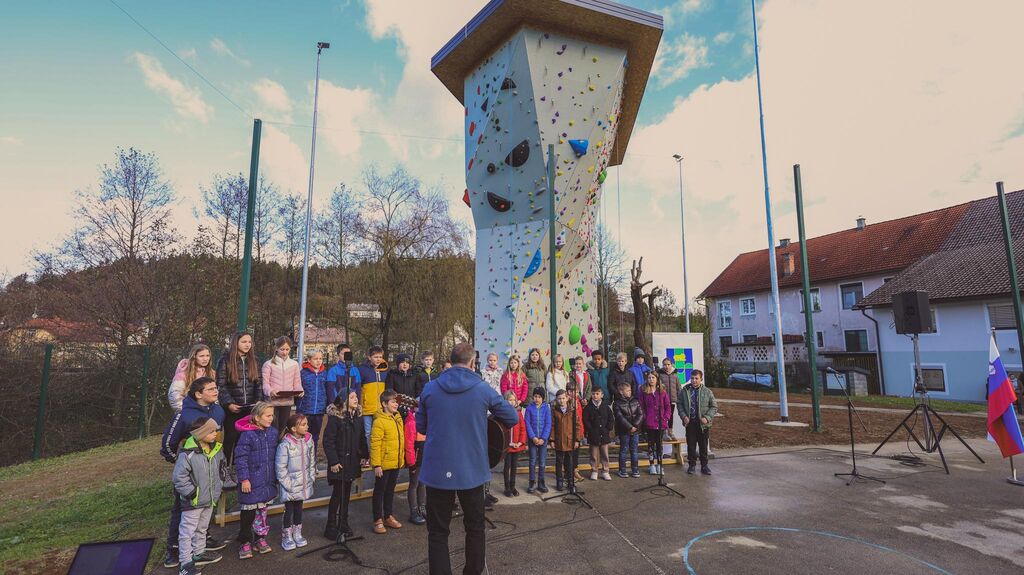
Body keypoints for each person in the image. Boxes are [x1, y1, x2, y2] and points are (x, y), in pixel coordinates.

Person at [416, 342, 518, 575]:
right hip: (471, 470)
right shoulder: (482, 389)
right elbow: (511, 417)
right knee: (474, 527)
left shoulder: (430, 388)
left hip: (437, 470)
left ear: (450, 361)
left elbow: (421, 425)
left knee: (438, 532)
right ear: (473, 363)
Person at [161, 378, 226, 569]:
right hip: (190, 478)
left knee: (203, 516)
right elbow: (168, 445)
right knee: (181, 514)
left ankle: (200, 549)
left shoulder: (218, 410)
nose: (216, 391)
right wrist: (182, 460)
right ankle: (175, 551)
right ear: (198, 394)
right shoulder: (184, 414)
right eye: (211, 389)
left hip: (209, 474)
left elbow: (218, 438)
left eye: (216, 388)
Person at [172, 417, 225, 575]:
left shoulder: (216, 449)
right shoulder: (188, 453)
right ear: (200, 433)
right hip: (193, 501)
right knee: (187, 532)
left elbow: (221, 469)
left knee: (202, 528)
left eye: (215, 430)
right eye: (211, 431)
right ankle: (185, 563)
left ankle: (199, 553)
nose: (215, 433)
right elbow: (178, 477)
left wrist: (218, 486)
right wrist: (191, 493)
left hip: (209, 498)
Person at [234, 401, 279, 559]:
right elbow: (240, 458)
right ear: (257, 418)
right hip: (251, 481)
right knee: (249, 513)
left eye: (272, 415)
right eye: (268, 415)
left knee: (263, 512)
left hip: (266, 480)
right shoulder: (247, 434)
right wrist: (244, 479)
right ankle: (245, 541)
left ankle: (260, 538)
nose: (271, 418)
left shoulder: (273, 432)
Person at [322, 390, 367, 540]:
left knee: (346, 495)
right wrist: (333, 461)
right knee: (337, 495)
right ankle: (331, 526)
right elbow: (328, 441)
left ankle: (343, 523)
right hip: (340, 463)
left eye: (356, 397)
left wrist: (364, 455)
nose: (356, 399)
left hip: (352, 462)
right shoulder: (336, 419)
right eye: (352, 397)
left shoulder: (357, 418)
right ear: (343, 400)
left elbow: (361, 438)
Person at [217, 332, 263, 466]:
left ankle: (239, 468)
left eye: (249, 342)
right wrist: (229, 403)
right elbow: (221, 385)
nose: (247, 344)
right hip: (232, 409)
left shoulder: (255, 360)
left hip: (250, 408)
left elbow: (259, 383)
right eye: (244, 341)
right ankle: (225, 468)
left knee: (244, 439)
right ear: (235, 343)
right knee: (230, 438)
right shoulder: (225, 360)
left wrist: (258, 402)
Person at [276, 413, 316, 551]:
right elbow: (280, 469)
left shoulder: (309, 440)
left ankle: (297, 532)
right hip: (291, 486)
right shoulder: (285, 445)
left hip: (303, 484)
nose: (307, 427)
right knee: (289, 510)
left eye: (307, 424)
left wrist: (311, 478)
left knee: (299, 509)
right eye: (303, 424)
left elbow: (312, 461)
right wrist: (289, 485)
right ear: (293, 428)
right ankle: (286, 535)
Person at [370, 389, 405, 534]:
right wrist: (377, 464)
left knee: (390, 490)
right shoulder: (379, 421)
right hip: (383, 464)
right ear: (384, 404)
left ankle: (388, 516)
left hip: (395, 462)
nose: (396, 404)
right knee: (379, 491)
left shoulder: (398, 418)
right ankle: (377, 519)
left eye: (396, 401)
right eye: (392, 401)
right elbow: (375, 444)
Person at [679, 369, 718, 475]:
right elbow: (680, 404)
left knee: (703, 445)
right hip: (690, 423)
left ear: (701, 379)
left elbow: (714, 407)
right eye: (692, 378)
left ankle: (704, 466)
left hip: (703, 425)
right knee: (691, 445)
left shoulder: (707, 391)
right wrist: (684, 416)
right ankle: (691, 465)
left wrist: (707, 417)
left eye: (696, 378)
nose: (694, 380)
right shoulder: (685, 390)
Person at [263, 336, 303, 435]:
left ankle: (282, 449)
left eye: (287, 349)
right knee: (273, 429)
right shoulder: (268, 364)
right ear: (276, 348)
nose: (284, 352)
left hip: (287, 402)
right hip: (273, 403)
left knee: (283, 429)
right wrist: (270, 391)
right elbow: (265, 384)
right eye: (282, 349)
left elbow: (297, 382)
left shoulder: (294, 364)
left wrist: (300, 390)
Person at [638, 372, 670, 475]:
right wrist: (645, 417)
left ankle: (660, 465)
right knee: (651, 445)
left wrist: (666, 417)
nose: (651, 379)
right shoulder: (644, 391)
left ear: (657, 379)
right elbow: (641, 406)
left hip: (661, 422)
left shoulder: (662, 392)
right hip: (649, 422)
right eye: (649, 378)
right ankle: (651, 465)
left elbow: (667, 406)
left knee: (659, 444)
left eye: (653, 377)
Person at [550, 389, 583, 492]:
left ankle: (570, 481)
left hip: (570, 441)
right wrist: (552, 440)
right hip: (559, 441)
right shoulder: (554, 411)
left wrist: (577, 440)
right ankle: (559, 481)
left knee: (570, 462)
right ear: (556, 399)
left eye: (563, 398)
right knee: (559, 462)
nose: (561, 400)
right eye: (559, 398)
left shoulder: (572, 411)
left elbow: (577, 426)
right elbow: (552, 426)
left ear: (567, 398)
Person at [297, 350, 329, 452]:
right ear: (309, 360)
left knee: (315, 436)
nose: (318, 361)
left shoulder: (325, 373)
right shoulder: (302, 373)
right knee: (303, 436)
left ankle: (312, 461)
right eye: (315, 359)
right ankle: (302, 460)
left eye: (320, 359)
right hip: (305, 410)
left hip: (319, 410)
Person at [169, 344, 215, 412]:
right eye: (201, 356)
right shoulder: (182, 375)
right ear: (194, 357)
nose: (205, 359)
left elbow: (216, 396)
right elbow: (175, 398)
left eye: (207, 356)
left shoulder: (213, 374)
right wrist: (189, 412)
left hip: (210, 414)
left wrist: (215, 412)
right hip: (190, 415)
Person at [613, 381, 644, 478]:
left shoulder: (635, 401)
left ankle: (635, 470)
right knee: (623, 450)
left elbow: (641, 414)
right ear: (621, 392)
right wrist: (630, 427)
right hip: (624, 431)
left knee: (634, 450)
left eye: (630, 390)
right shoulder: (617, 403)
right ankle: (623, 471)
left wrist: (635, 426)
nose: (630, 392)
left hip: (635, 431)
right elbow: (619, 417)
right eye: (627, 391)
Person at [523, 386, 551, 494]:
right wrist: (533, 437)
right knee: (532, 461)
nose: (537, 399)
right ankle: (532, 482)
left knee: (542, 462)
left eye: (539, 397)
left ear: (543, 398)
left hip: (543, 440)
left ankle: (541, 482)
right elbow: (527, 423)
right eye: (535, 396)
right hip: (533, 439)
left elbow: (548, 424)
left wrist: (543, 438)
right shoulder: (529, 408)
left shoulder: (546, 408)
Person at [582, 387, 614, 481]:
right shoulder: (588, 408)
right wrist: (590, 429)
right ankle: (594, 470)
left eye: (597, 394)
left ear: (602, 395)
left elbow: (610, 419)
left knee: (605, 454)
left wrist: (608, 428)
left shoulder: (606, 407)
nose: (595, 396)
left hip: (604, 434)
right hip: (593, 435)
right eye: (593, 394)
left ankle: (605, 471)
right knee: (593, 454)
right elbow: (586, 420)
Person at [358, 346, 389, 438]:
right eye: (375, 357)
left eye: (380, 357)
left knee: (380, 433)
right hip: (367, 408)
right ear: (369, 357)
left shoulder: (386, 370)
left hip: (381, 408)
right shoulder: (362, 370)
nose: (378, 359)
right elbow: (359, 388)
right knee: (368, 433)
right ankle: (370, 452)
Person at [404, 399, 427, 525]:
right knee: (414, 484)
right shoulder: (411, 422)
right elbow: (409, 445)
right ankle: (413, 511)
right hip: (416, 460)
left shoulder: (425, 420)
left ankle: (422, 507)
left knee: (422, 484)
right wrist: (411, 462)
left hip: (424, 458)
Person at [502, 390, 527, 497]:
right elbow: (501, 430)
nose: (512, 402)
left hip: (516, 445)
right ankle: (507, 487)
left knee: (514, 466)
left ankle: (513, 486)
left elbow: (522, 429)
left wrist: (520, 442)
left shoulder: (518, 413)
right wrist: (507, 443)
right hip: (507, 446)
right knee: (507, 466)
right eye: (509, 400)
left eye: (513, 400)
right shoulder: (502, 414)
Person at [657, 358, 683, 441]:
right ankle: (664, 432)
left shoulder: (675, 375)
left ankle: (670, 431)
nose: (666, 366)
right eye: (665, 364)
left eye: (668, 364)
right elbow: (658, 387)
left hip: (672, 400)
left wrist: (680, 398)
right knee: (663, 416)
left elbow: (679, 388)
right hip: (663, 400)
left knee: (670, 416)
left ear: (671, 365)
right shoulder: (660, 374)